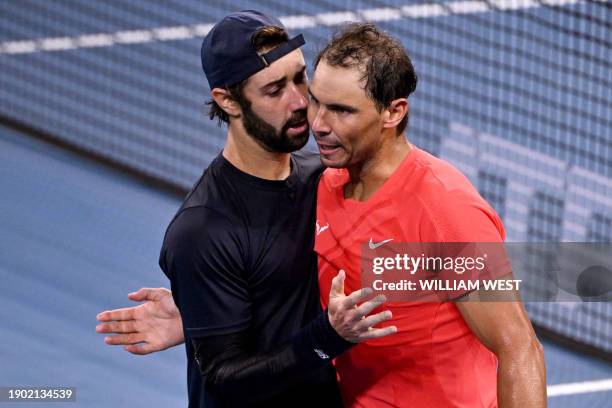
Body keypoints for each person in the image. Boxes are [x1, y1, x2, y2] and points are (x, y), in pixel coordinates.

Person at [98, 20, 547, 408]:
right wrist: (205, 313)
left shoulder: (446, 209)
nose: (316, 123)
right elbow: (342, 275)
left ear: (393, 112)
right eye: (317, 100)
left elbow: (519, 346)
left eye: (341, 110)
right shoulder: (324, 182)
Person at [95, 11, 396, 408]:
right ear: (228, 101)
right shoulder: (203, 231)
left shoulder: (322, 178)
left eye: (300, 78)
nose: (300, 101)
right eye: (274, 90)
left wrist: (202, 318)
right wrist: (326, 337)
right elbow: (226, 384)